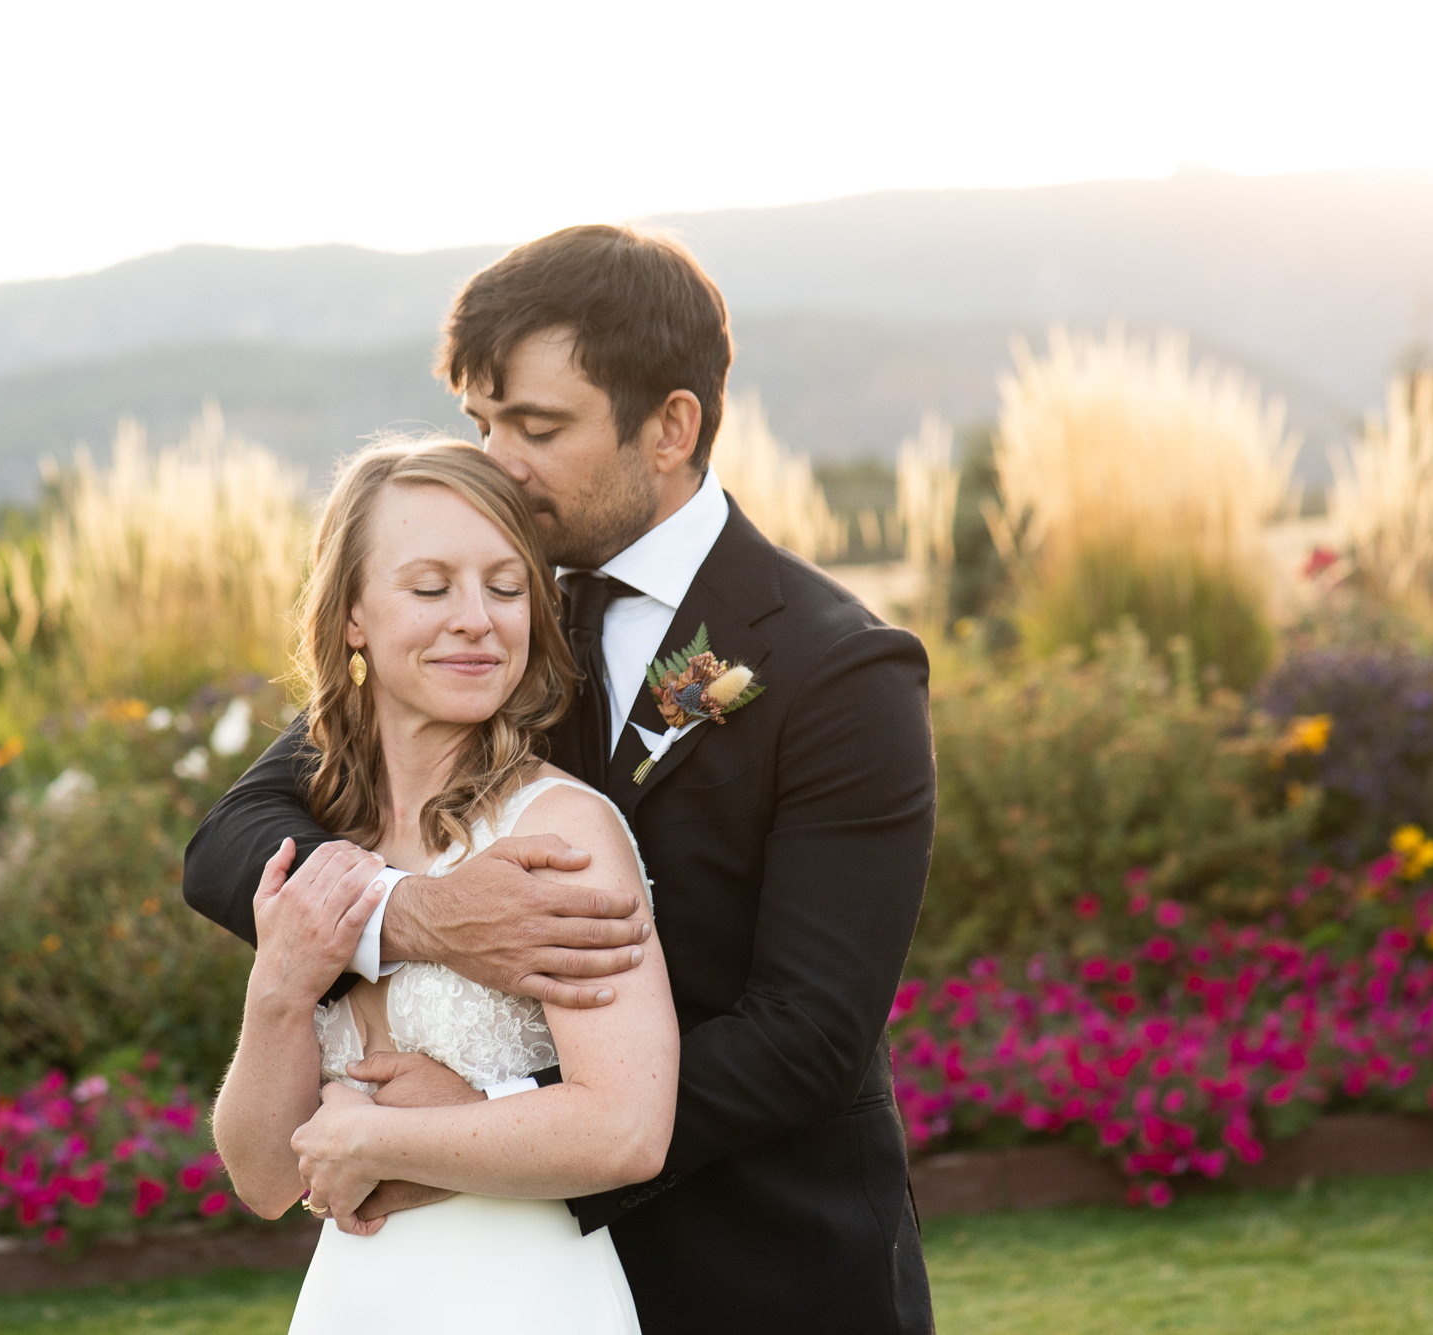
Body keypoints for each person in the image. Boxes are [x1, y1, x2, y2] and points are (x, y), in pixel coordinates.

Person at [187, 225, 936, 1333]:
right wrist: (419, 917)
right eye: (480, 423)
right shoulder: (487, 618)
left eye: (535, 427)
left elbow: (809, 1031)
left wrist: (488, 1126)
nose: (494, 461)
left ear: (670, 427)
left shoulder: (835, 668)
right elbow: (232, 839)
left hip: (760, 1265)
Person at [209, 440, 678, 1333]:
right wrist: (279, 989)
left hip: (525, 1297)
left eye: (505, 589)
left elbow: (626, 1127)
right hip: (353, 1302)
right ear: (351, 615)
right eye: (431, 588)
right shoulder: (322, 845)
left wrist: (378, 1138)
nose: (476, 619)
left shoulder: (558, 833)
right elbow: (265, 1178)